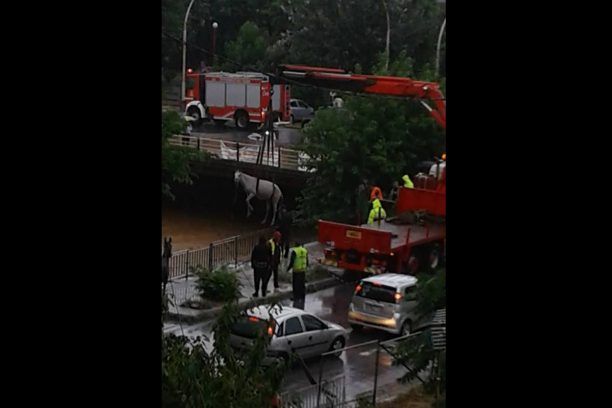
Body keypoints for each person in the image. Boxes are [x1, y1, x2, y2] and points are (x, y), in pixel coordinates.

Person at [287, 242, 308, 308]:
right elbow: (307, 260)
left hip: (296, 271)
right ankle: (302, 297)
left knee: (295, 285)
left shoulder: (295, 251)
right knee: (302, 284)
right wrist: (306, 266)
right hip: (303, 270)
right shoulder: (305, 250)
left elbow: (292, 261)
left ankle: (296, 297)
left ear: (295, 245)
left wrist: (288, 269)